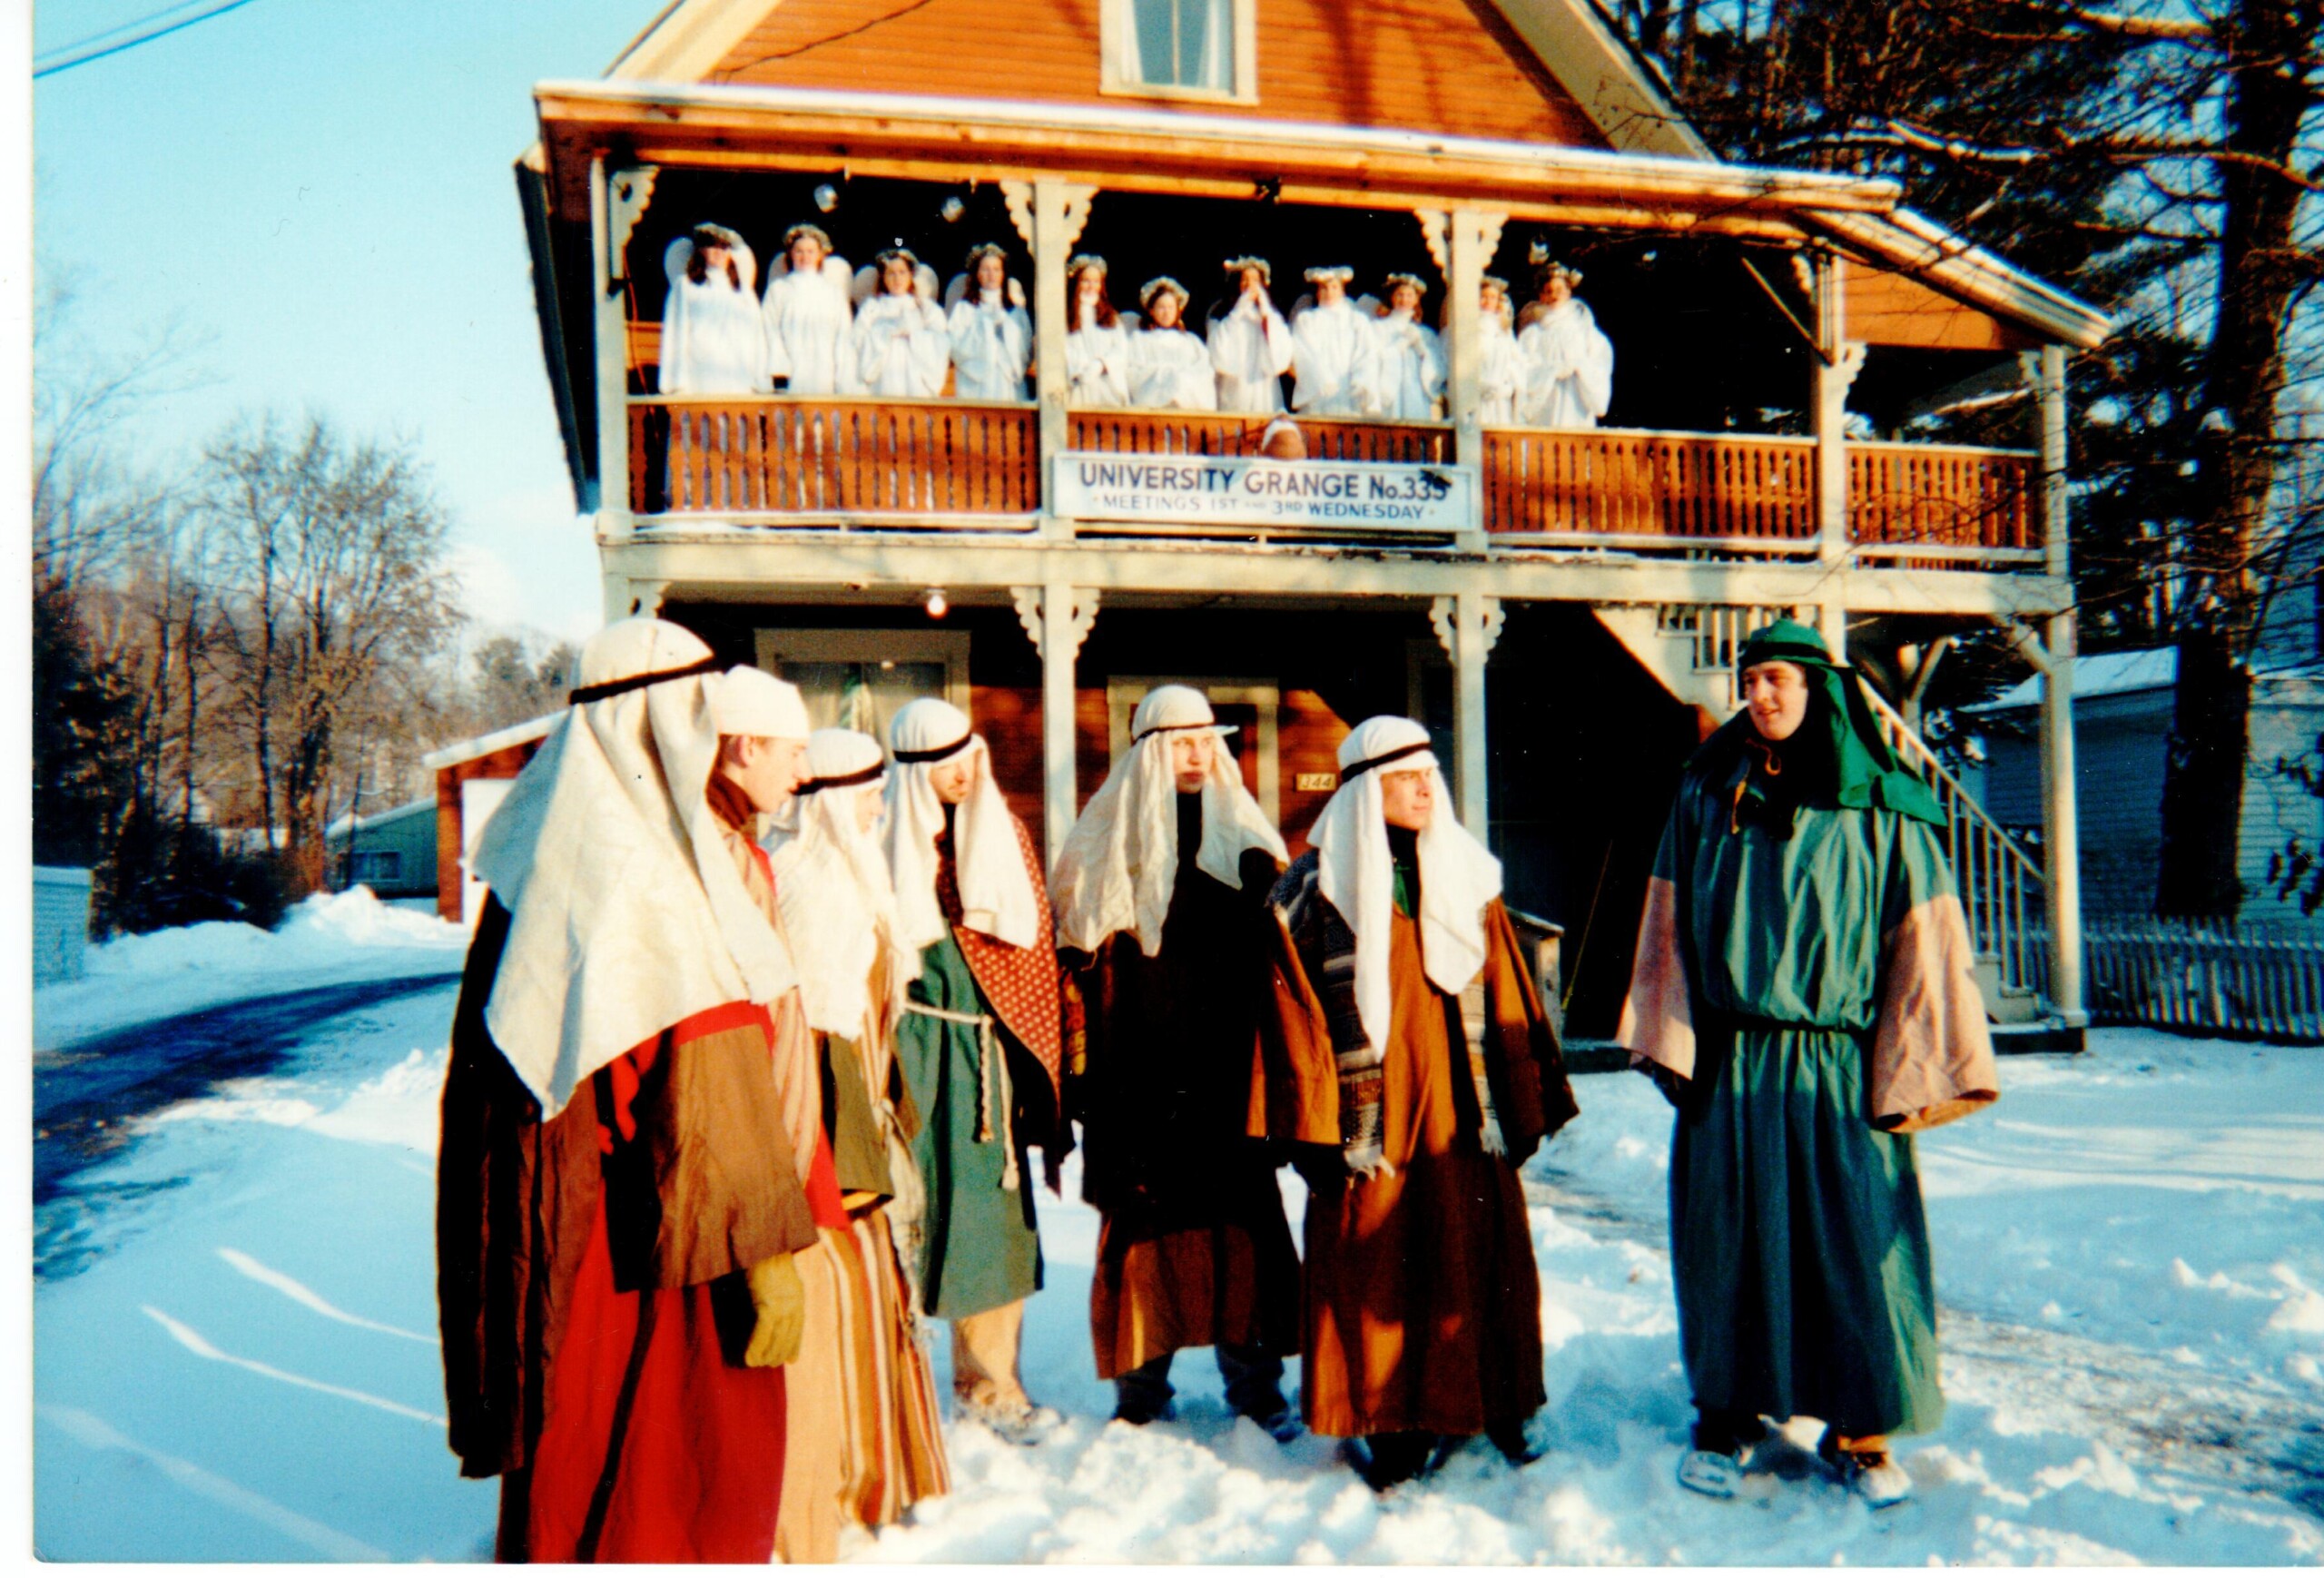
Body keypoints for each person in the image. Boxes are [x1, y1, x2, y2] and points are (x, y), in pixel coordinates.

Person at [437, 620, 820, 1563]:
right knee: (673, 1462)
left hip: (576, 1223)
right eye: (694, 708)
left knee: (581, 1443)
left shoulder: (544, 852)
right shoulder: (647, 866)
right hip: (666, 1236)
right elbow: (706, 1065)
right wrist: (764, 1246)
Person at [1614, 619, 2000, 1509]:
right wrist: (1673, 1035)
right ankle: (1724, 1416)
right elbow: (1666, 921)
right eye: (1751, 679)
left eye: (1780, 678)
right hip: (1735, 1065)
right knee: (1729, 1242)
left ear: (1819, 687)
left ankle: (1860, 1430)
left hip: (1836, 1067)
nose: (1762, 694)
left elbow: (1924, 942)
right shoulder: (1708, 790)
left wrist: (1909, 1066)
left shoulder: (1882, 802)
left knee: (1853, 1242)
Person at [1253, 716, 1577, 1492]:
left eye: (1430, 773)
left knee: (1477, 1251)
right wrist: (1318, 1132)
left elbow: (1507, 994)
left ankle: (1495, 1400)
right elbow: (1290, 1020)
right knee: (1378, 1263)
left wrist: (1525, 1094)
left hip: (1462, 1113)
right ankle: (1388, 1418)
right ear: (1367, 791)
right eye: (1405, 778)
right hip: (1372, 1122)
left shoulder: (1468, 879)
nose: (1425, 788)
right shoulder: (1309, 895)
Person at [1049, 686, 1300, 1437]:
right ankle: (1141, 1385)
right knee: (1143, 1228)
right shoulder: (1106, 840)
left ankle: (1255, 1386)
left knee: (1241, 1222)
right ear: (1151, 750)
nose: (1196, 754)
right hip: (1139, 1074)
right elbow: (1077, 947)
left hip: (1228, 1073)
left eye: (1206, 741)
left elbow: (1283, 943)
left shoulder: (1248, 842)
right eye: (1181, 742)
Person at [764, 727, 952, 1556]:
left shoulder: (852, 872)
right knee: (840, 1293)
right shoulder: (808, 883)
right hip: (822, 1124)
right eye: (867, 795)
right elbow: (808, 1029)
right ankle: (834, 1480)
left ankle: (871, 1472)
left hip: (858, 1106)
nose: (879, 809)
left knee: (874, 1293)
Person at [884, 696, 1072, 1444]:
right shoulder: (881, 843)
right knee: (903, 1217)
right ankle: (890, 1385)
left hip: (981, 1062)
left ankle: (991, 1386)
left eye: (967, 758)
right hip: (909, 1053)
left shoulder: (1007, 838)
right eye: (940, 764)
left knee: (989, 1227)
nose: (959, 775)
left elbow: (1031, 955)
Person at [659, 223, 770, 396]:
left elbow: (757, 336)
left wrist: (761, 381)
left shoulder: (742, 290)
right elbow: (676, 332)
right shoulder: (686, 286)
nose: (719, 252)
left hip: (737, 375)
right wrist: (676, 383)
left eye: (724, 247)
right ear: (701, 250)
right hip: (700, 374)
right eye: (712, 246)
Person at [760, 222, 855, 395]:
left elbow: (843, 335)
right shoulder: (779, 289)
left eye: (811, 251)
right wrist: (780, 369)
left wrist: (842, 377)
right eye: (799, 251)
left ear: (820, 254)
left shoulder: (832, 292)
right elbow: (769, 329)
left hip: (824, 371)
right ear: (791, 254)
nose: (805, 256)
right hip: (790, 369)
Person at [1516, 261, 1613, 429]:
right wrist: (1551, 370)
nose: (1554, 296)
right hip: (1545, 406)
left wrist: (1579, 367)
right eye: (1548, 291)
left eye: (1559, 290)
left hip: (1575, 403)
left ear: (1568, 292)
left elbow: (1600, 365)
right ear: (1541, 296)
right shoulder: (1533, 335)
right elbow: (1523, 371)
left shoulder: (1585, 331)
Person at [847, 246, 950, 398]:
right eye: (891, 273)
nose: (897, 279)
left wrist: (913, 335)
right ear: (883, 278)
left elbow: (941, 340)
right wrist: (884, 333)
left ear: (910, 275)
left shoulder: (924, 308)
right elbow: (857, 339)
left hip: (915, 377)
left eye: (902, 272)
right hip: (883, 376)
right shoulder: (872, 308)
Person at [946, 242, 1032, 401]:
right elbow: (955, 347)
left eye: (996, 269)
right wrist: (984, 328)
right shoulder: (965, 309)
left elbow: (1025, 352)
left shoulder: (1016, 313)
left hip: (1008, 382)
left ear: (1003, 274)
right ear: (977, 274)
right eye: (986, 269)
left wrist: (1006, 331)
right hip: (978, 383)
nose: (991, 274)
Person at [1207, 256, 1294, 414]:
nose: (1250, 285)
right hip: (1235, 389)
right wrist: (1238, 311)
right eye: (1245, 279)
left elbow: (1281, 358)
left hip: (1264, 390)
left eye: (1255, 280)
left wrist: (1266, 315)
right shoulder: (1221, 314)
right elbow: (1217, 352)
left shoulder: (1272, 315)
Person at [1287, 265, 1373, 417]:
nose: (1330, 292)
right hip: (1319, 391)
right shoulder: (1307, 320)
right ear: (1318, 292)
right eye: (1324, 288)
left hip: (1349, 389)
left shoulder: (1357, 320)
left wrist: (1360, 380)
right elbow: (1305, 353)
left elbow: (1366, 353)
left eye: (1334, 287)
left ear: (1342, 290)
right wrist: (1323, 379)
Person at [1126, 277, 1218, 410]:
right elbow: (1133, 373)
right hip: (1153, 410)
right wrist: (1165, 375)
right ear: (1151, 310)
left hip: (1187, 409)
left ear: (1178, 310)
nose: (1166, 312)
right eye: (1161, 307)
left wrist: (1182, 381)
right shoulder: (1139, 340)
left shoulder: (1191, 341)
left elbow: (1204, 372)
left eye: (1170, 307)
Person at [1366, 273, 1446, 420]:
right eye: (1400, 295)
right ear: (1392, 297)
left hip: (1415, 393)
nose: (1404, 300)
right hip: (1390, 394)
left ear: (1416, 299)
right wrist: (1399, 345)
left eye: (1409, 295)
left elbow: (1439, 370)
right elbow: (1371, 360)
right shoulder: (1378, 328)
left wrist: (1422, 349)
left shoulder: (1425, 334)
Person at [1063, 254, 1132, 408]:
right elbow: (1064, 347)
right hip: (1079, 382)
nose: (1091, 286)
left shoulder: (1111, 317)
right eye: (1086, 281)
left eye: (1096, 282)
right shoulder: (1067, 316)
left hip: (1107, 383)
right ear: (1077, 283)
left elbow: (1121, 350)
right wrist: (1081, 368)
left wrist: (1101, 364)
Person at [1476, 275, 1521, 426]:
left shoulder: (1504, 331)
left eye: (1493, 297)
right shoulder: (1468, 328)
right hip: (1477, 395)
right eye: (1483, 297)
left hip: (1500, 396)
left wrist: (1507, 386)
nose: (1488, 302)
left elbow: (1516, 362)